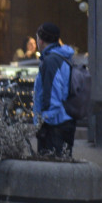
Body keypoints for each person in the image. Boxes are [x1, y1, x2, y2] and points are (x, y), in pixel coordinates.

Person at [32, 22, 77, 157]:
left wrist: (42, 123)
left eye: (37, 38)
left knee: (52, 165)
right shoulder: (63, 57)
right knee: (64, 163)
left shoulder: (51, 61)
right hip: (66, 121)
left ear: (41, 40)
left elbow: (52, 97)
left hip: (55, 126)